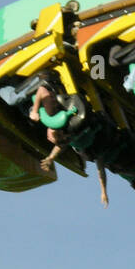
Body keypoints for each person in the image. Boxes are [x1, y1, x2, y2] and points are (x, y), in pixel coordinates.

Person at [29, 76, 109, 208]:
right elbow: (42, 90)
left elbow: (100, 170)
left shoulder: (69, 135)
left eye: (54, 138)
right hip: (42, 94)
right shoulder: (52, 117)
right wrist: (35, 111)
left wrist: (50, 158)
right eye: (54, 137)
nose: (51, 138)